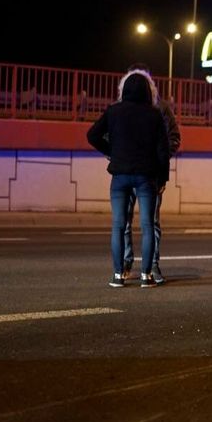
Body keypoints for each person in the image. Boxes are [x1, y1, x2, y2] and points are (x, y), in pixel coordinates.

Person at [87, 72, 170, 288]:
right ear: (146, 91)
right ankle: (146, 276)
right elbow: (163, 151)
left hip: (120, 176)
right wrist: (163, 179)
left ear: (124, 91)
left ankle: (118, 275)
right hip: (146, 177)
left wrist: (112, 152)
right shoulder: (154, 115)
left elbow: (92, 135)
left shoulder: (114, 111)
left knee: (118, 225)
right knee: (147, 226)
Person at [117, 65, 181, 284]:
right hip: (128, 171)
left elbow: (173, 137)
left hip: (150, 174)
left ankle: (152, 266)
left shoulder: (160, 109)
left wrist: (160, 162)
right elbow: (110, 135)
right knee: (125, 221)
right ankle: (126, 264)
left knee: (151, 222)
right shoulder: (121, 108)